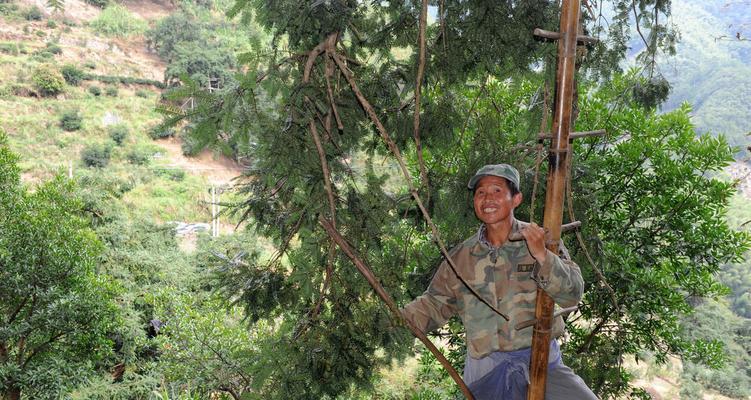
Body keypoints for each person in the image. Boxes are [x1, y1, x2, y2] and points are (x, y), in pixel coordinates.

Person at [401, 164, 597, 400]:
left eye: (497, 191)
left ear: (516, 199)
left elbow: (572, 293)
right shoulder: (462, 256)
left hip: (543, 362)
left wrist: (543, 256)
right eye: (481, 193)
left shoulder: (540, 239)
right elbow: (434, 303)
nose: (487, 199)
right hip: (488, 369)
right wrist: (395, 322)